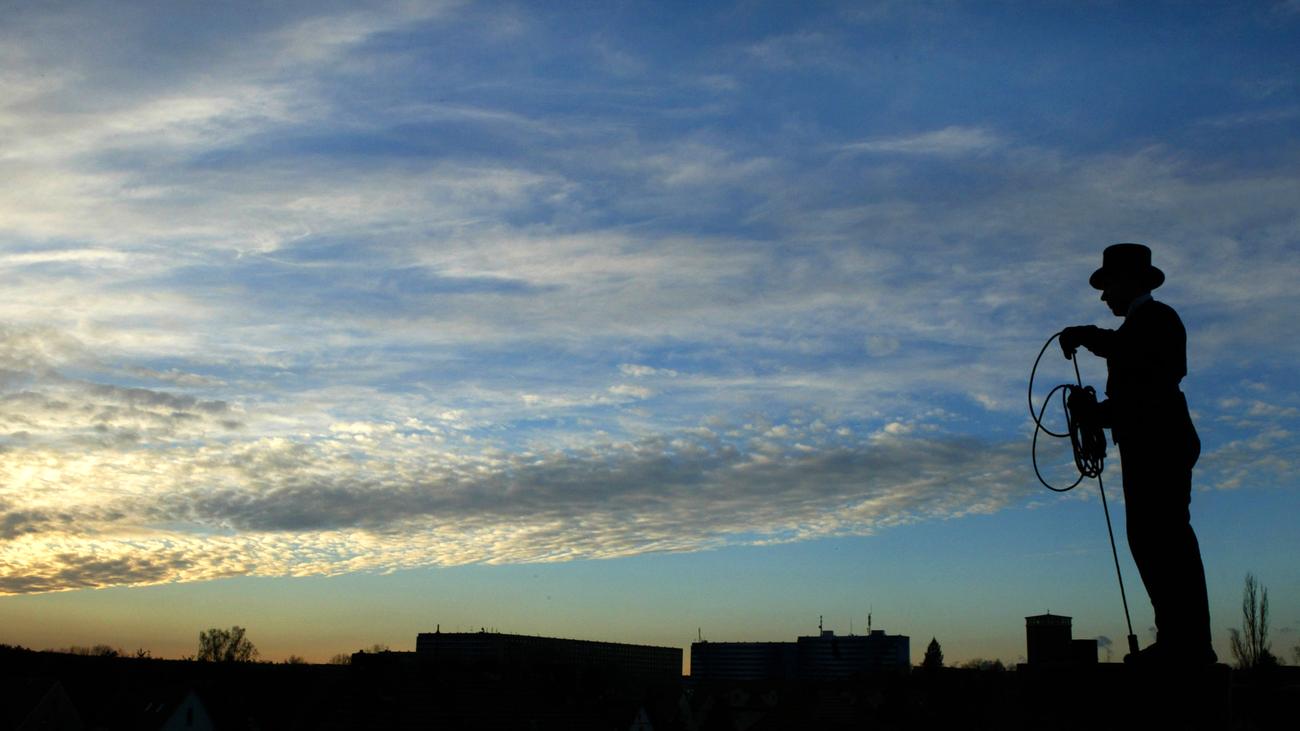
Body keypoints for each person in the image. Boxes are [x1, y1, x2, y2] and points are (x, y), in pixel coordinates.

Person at [1059, 243, 1215, 665]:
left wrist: (1088, 336)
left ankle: (1186, 643)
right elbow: (1137, 395)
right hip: (1151, 444)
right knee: (1152, 540)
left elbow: (1143, 379)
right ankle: (1179, 638)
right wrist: (1095, 414)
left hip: (1159, 445)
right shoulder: (1143, 327)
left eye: (1108, 285)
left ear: (1129, 282)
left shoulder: (1158, 320)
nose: (1104, 296)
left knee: (1163, 539)